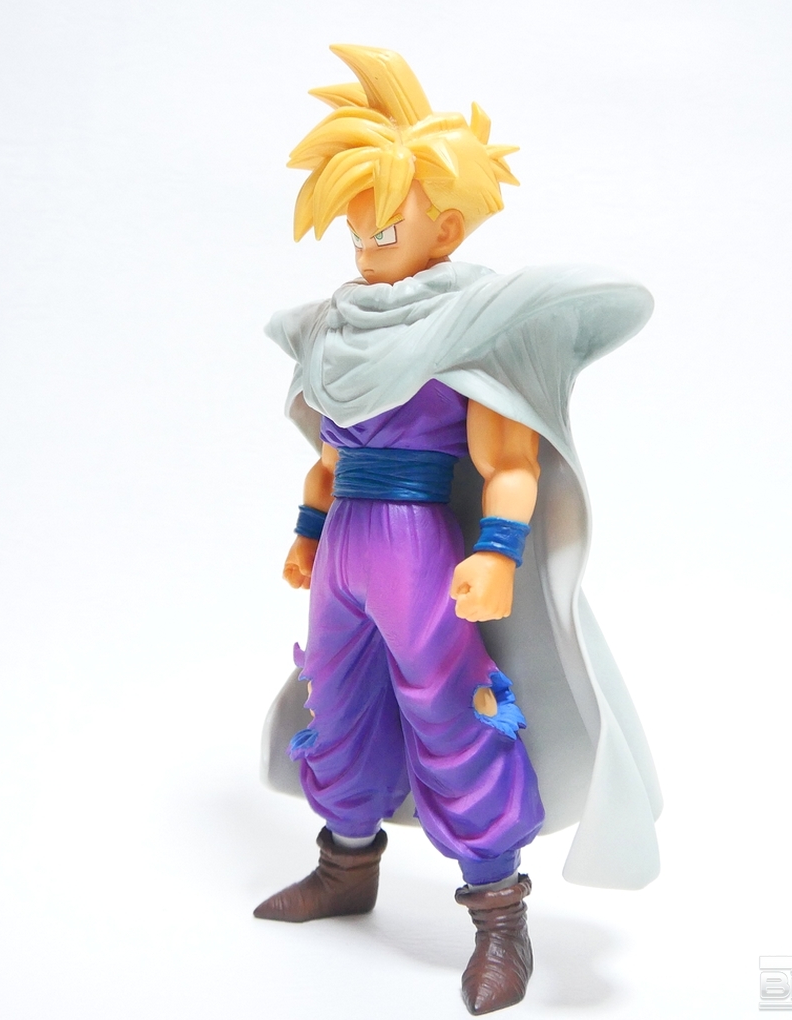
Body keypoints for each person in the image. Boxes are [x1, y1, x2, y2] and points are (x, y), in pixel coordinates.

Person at [256, 45, 663, 1016]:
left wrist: (496, 551)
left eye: (384, 226)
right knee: (336, 700)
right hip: (346, 546)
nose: (365, 246)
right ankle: (346, 862)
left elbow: (508, 465)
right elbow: (327, 457)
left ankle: (497, 916)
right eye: (354, 229)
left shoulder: (470, 327)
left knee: (450, 709)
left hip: (415, 547)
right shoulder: (338, 328)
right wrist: (308, 531)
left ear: (442, 226)